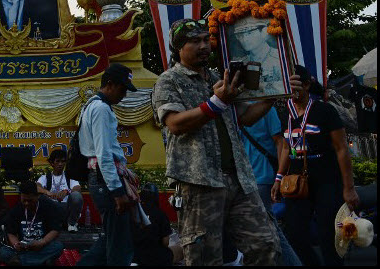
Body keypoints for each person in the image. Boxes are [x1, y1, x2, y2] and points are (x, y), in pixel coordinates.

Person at [151, 18, 288, 265]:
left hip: (240, 178)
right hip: (199, 181)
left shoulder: (218, 77)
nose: (204, 45)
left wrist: (274, 94)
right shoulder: (169, 81)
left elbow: (244, 119)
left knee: (266, 245)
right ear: (178, 47)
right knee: (204, 256)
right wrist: (216, 102)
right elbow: (175, 123)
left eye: (206, 39)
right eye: (194, 41)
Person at [273, 65, 360, 266]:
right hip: (296, 181)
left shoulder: (325, 110)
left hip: (327, 179)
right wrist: (278, 178)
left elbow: (341, 149)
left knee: (329, 236)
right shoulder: (285, 112)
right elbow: (286, 147)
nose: (292, 92)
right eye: (288, 87)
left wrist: (349, 188)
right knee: (294, 234)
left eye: (296, 87)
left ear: (306, 84)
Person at [77, 63, 139, 266]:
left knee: (112, 236)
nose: (124, 96)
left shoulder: (91, 105)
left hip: (100, 178)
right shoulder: (101, 109)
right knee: (120, 243)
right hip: (105, 180)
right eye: (122, 90)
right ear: (110, 85)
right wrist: (117, 191)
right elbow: (104, 154)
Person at [240, 107, 302, 265]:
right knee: (262, 229)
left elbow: (280, 142)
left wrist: (278, 178)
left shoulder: (266, 107)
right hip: (245, 178)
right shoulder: (233, 107)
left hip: (262, 175)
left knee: (270, 228)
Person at [0, 180, 65, 266]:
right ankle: (39, 261)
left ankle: (21, 262)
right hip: (23, 248)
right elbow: (11, 233)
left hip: (41, 246)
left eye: (30, 200)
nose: (26, 203)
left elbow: (55, 230)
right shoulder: (16, 209)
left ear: (37, 196)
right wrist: (16, 244)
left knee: (58, 246)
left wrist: (42, 242)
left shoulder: (48, 207)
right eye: (24, 200)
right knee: (3, 251)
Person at [232, 18, 283, 98]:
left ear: (264, 32)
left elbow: (286, 89)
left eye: (249, 33)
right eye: (240, 35)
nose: (244, 39)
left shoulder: (280, 58)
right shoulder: (243, 63)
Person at [36, 149, 83, 232]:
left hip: (66, 209)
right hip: (51, 209)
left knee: (76, 195)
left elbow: (77, 188)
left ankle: (71, 224)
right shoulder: (45, 177)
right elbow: (36, 187)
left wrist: (67, 191)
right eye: (57, 161)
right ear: (51, 163)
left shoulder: (70, 176)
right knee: (40, 196)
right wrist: (48, 193)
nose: (60, 164)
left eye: (63, 161)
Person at [130, 183, 173, 266]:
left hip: (133, 255)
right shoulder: (160, 214)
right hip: (155, 257)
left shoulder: (131, 213)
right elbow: (165, 242)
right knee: (179, 250)